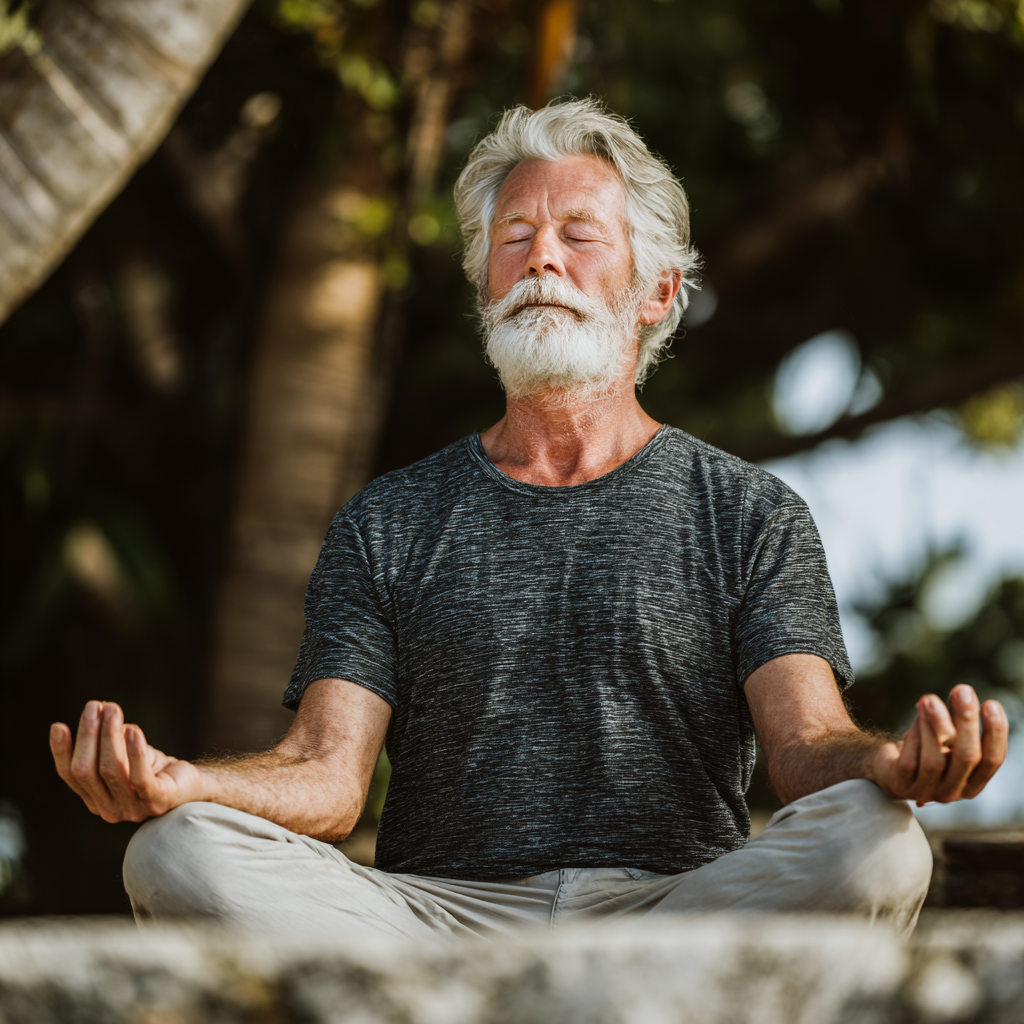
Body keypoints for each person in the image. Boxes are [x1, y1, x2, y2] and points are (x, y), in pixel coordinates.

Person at [51, 99, 1007, 941]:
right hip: (437, 923)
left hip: (671, 919)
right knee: (175, 850)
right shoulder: (387, 520)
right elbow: (328, 779)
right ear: (486, 287)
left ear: (657, 293)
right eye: (514, 236)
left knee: (878, 841)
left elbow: (804, 751)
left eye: (579, 233)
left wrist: (888, 761)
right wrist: (187, 783)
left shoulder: (751, 512)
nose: (540, 256)